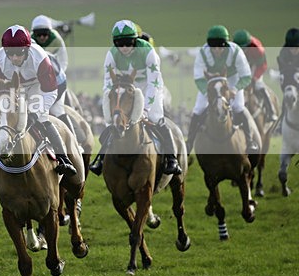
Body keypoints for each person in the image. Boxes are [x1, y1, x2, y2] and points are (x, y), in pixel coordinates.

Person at [0, 25, 77, 182]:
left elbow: (50, 91)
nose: (14, 58)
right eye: (10, 53)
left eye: (19, 53)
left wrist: (35, 113)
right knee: (0, 121)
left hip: (38, 87)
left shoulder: (40, 57)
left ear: (27, 49)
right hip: (12, 89)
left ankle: (64, 159)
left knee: (42, 119)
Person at [88, 20, 181, 175]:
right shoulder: (111, 54)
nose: (124, 47)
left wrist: (145, 109)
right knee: (113, 122)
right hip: (127, 88)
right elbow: (108, 85)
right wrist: (111, 110)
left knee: (156, 118)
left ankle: (172, 159)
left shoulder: (148, 51)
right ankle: (101, 160)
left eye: (128, 43)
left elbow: (154, 82)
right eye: (119, 43)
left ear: (135, 40)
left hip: (150, 87)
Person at [185, 25, 258, 154]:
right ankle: (189, 142)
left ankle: (250, 141)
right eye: (214, 48)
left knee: (238, 107)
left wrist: (235, 89)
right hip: (211, 82)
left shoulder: (236, 51)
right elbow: (199, 78)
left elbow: (246, 76)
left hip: (232, 79)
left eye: (220, 47)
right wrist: (207, 92)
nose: (217, 50)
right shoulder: (203, 52)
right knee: (199, 108)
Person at [30, 14, 77, 136]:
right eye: (38, 34)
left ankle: (74, 140)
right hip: (37, 81)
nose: (42, 37)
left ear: (50, 32)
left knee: (57, 110)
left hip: (56, 80)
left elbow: (63, 62)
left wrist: (50, 76)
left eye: (45, 34)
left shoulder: (57, 40)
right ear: (33, 33)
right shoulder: (29, 41)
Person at [232, 29, 277, 122]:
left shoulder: (257, 48)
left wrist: (255, 77)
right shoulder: (231, 48)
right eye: (240, 48)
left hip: (255, 65)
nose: (242, 51)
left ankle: (271, 110)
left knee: (258, 85)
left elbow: (263, 65)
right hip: (240, 66)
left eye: (244, 48)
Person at [277, 27, 299, 92]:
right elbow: (282, 68)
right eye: (291, 47)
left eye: (296, 47)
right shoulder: (284, 52)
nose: (293, 50)